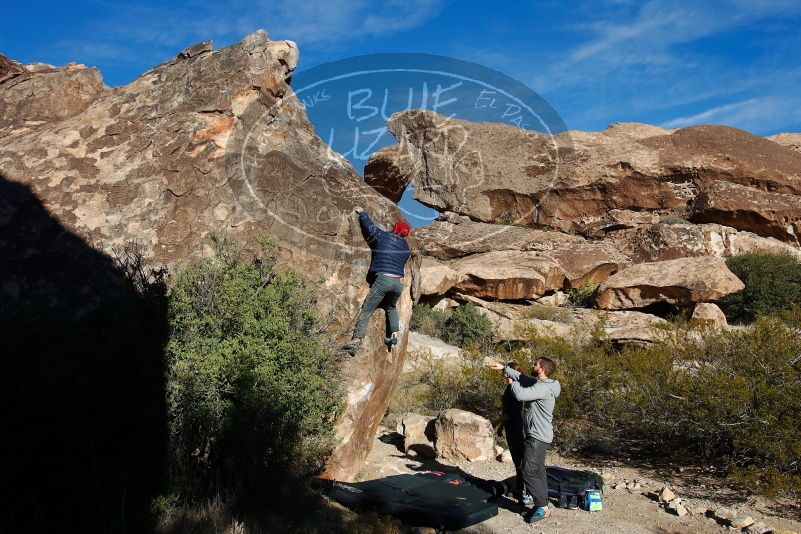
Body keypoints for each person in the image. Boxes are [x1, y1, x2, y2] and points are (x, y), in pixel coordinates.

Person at [488, 356, 561, 524]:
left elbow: (520, 395)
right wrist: (503, 368)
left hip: (538, 437)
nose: (532, 365)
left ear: (542, 368)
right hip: (539, 435)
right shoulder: (542, 384)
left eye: (535, 364)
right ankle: (543, 502)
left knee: (527, 469)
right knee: (538, 470)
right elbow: (523, 378)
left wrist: (510, 381)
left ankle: (541, 506)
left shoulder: (542, 388)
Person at [342, 207, 412, 355]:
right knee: (391, 307)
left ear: (395, 228)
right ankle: (393, 336)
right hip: (399, 282)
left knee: (367, 309)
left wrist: (362, 213)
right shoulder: (406, 249)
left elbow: (370, 228)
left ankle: (356, 341)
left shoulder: (384, 237)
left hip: (384, 280)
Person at [493, 361, 532, 506]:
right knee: (517, 460)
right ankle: (521, 488)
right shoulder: (509, 387)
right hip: (510, 426)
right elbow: (507, 411)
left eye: (505, 371)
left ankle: (528, 492)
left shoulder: (516, 388)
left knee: (521, 460)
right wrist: (501, 426)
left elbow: (512, 413)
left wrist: (496, 422)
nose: (503, 374)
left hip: (517, 427)